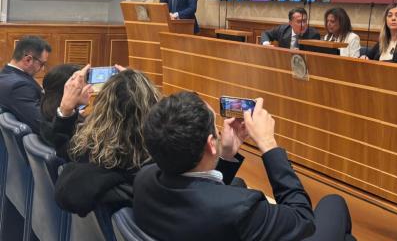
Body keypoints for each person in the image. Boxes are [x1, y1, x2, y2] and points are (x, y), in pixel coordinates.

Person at [134, 92, 355, 241]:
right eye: (215, 127)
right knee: (334, 203)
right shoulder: (240, 209)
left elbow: (202, 192)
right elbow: (303, 222)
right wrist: (268, 145)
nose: (219, 131)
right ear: (211, 144)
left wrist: (226, 155)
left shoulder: (144, 179)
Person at [55, 69, 162, 216]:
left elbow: (62, 149)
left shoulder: (87, 150)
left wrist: (65, 109)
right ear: (153, 108)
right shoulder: (159, 169)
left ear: (102, 109)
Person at [0, 36, 52, 133]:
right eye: (42, 64)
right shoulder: (19, 87)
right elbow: (43, 127)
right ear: (28, 60)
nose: (42, 69)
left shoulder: (5, 74)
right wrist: (65, 113)